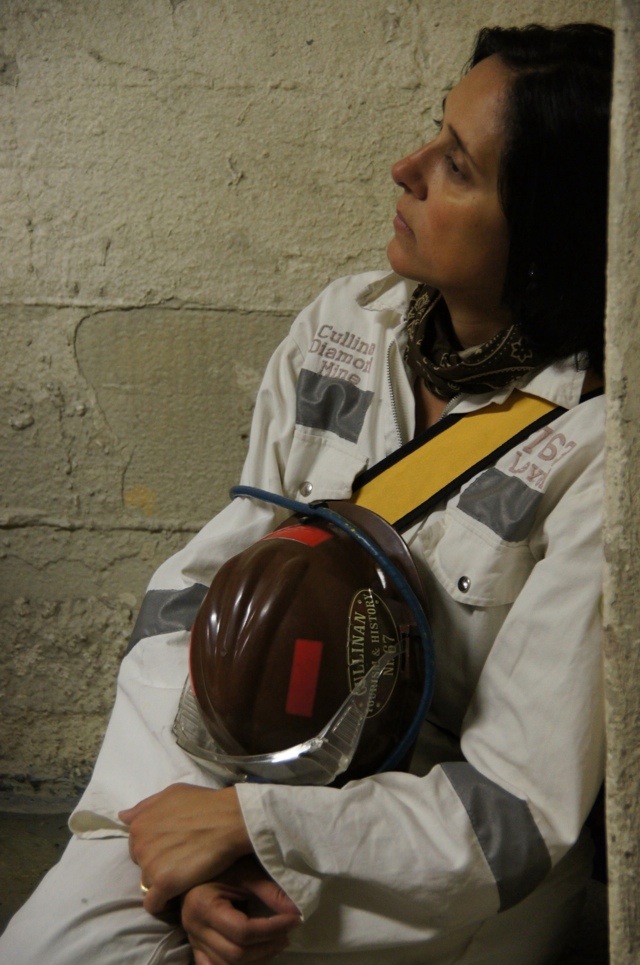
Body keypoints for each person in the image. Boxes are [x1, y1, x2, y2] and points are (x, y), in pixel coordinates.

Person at [0, 21, 613, 965]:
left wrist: (259, 837)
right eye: (435, 133)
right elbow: (196, 606)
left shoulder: (599, 452)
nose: (406, 169)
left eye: (456, 166)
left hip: (423, 861)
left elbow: (516, 811)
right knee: (50, 948)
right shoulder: (344, 328)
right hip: (224, 772)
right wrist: (183, 844)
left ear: (541, 235)